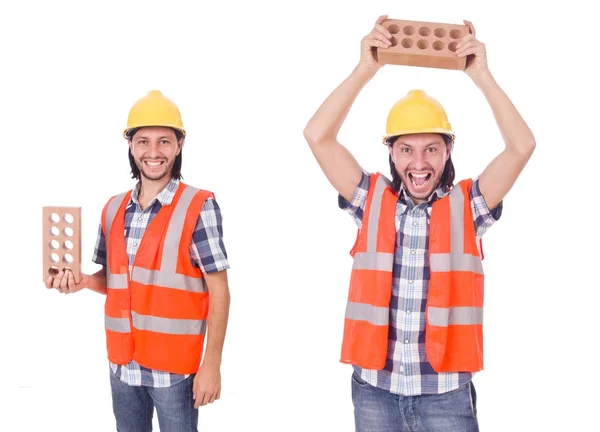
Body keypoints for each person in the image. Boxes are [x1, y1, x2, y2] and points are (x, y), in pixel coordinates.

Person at [303, 15, 535, 432]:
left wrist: (481, 75)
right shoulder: (370, 199)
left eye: (432, 148)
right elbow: (317, 135)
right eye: (406, 149)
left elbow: (521, 147)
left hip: (445, 393)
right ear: (391, 154)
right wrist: (366, 68)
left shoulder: (469, 205)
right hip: (374, 390)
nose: (419, 163)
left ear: (448, 151)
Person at [45, 90, 231, 432]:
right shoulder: (113, 208)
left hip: (174, 371)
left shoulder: (199, 205)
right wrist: (83, 281)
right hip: (122, 365)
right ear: (131, 146)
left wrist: (212, 364)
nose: (153, 152)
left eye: (164, 141)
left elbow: (220, 291)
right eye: (143, 141)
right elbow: (114, 280)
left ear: (179, 146)